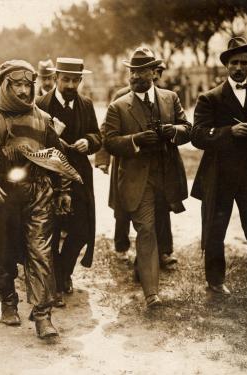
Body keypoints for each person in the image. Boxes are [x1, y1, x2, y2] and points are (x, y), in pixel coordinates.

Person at [0, 60, 72, 339]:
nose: (23, 90)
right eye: (16, 84)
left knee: (41, 252)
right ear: (4, 86)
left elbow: (57, 157)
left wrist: (63, 190)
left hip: (38, 194)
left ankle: (43, 314)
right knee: (3, 251)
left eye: (27, 84)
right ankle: (8, 301)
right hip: (2, 197)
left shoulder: (44, 120)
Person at [103, 47, 190, 308]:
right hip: (137, 180)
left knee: (158, 227)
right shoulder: (118, 106)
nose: (136, 75)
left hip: (167, 177)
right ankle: (151, 293)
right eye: (132, 70)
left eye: (142, 70)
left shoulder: (170, 98)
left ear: (154, 72)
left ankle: (144, 269)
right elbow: (109, 142)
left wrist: (172, 130)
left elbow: (188, 129)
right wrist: (136, 141)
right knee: (147, 230)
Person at [191, 37, 247, 300]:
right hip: (219, 174)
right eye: (235, 63)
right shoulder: (210, 98)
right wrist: (230, 131)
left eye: (245, 63)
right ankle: (215, 281)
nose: (239, 68)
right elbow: (198, 135)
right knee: (216, 229)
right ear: (226, 65)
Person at [36, 57, 102, 307]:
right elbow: (30, 140)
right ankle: (56, 282)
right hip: (48, 174)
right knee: (50, 230)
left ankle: (64, 273)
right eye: (66, 79)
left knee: (82, 230)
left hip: (80, 175)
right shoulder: (41, 104)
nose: (71, 84)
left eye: (76, 80)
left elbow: (98, 135)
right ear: (55, 79)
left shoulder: (86, 104)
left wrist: (89, 141)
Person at [108, 63, 177, 269]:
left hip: (159, 165)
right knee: (125, 205)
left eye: (158, 72)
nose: (157, 75)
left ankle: (163, 251)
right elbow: (109, 132)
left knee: (161, 208)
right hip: (128, 161)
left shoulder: (165, 98)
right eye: (133, 71)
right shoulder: (121, 97)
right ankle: (122, 245)